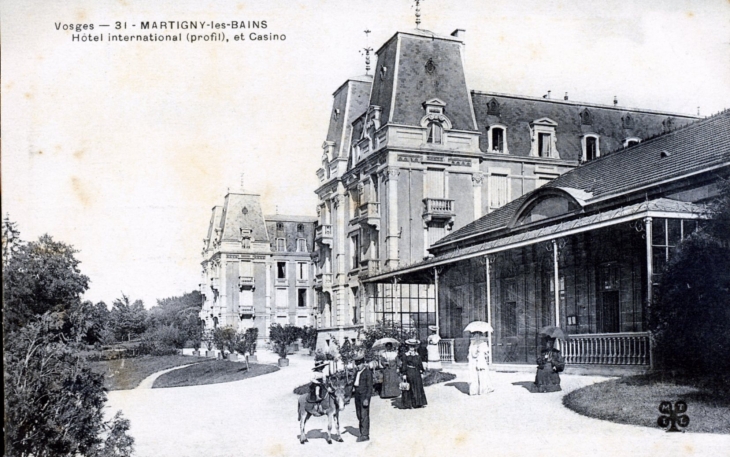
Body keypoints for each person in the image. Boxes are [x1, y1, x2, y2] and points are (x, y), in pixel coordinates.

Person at [399, 339, 427, 409]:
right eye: (411, 346)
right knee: (410, 387)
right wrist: (404, 374)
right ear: (408, 347)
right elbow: (404, 364)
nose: (412, 348)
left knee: (418, 386)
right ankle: (409, 404)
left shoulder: (417, 355)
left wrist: (421, 371)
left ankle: (418, 403)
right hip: (409, 371)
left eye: (413, 346)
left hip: (417, 372)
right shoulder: (406, 355)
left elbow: (420, 364)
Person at [352, 354, 373, 442]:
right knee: (359, 414)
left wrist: (367, 399)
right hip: (357, 395)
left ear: (363, 363)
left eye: (359, 364)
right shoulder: (357, 372)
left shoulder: (367, 372)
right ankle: (361, 432)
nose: (358, 366)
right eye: (356, 364)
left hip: (364, 396)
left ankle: (365, 435)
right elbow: (355, 383)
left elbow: (370, 387)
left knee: (364, 415)